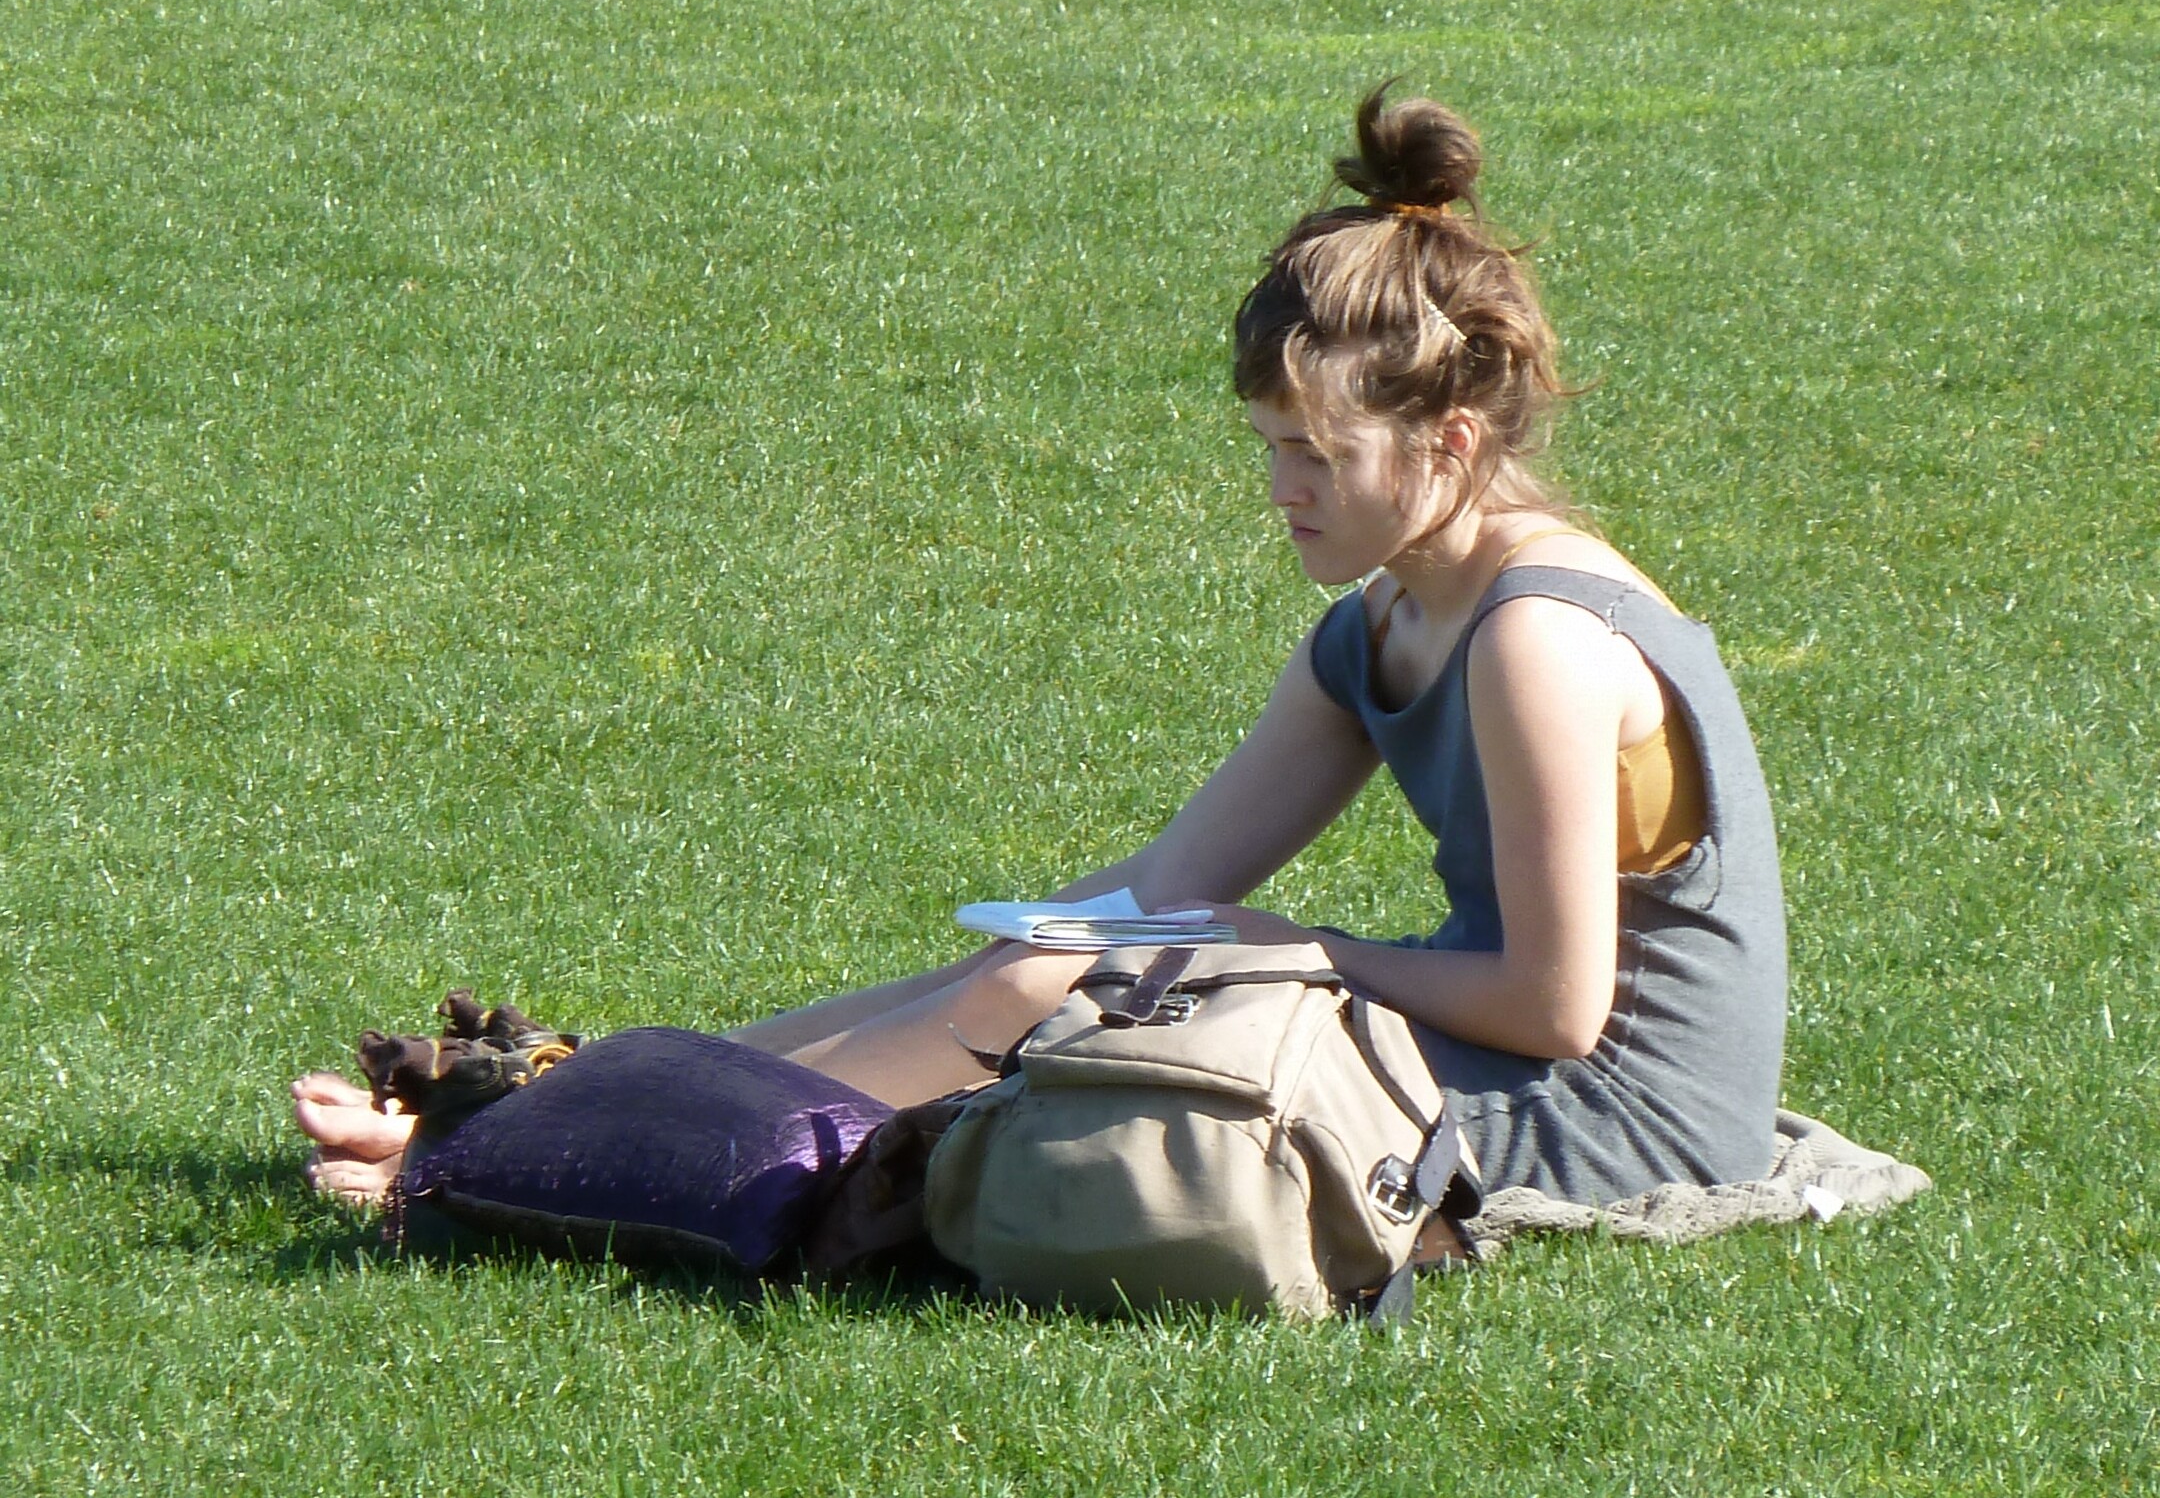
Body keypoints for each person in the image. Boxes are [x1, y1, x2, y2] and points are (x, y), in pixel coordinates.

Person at [298, 86, 1787, 1210]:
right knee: (1034, 967)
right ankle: (583, 1102)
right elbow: (1172, 881)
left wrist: (1306, 952)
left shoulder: (1537, 640)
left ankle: (534, 1165)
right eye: (1269, 447)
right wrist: (1052, 943)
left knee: (1058, 998)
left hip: (1608, 1116)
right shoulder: (1380, 623)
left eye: (1318, 457)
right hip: (1502, 1063)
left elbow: (1555, 1008)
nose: (1282, 491)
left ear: (1451, 443)